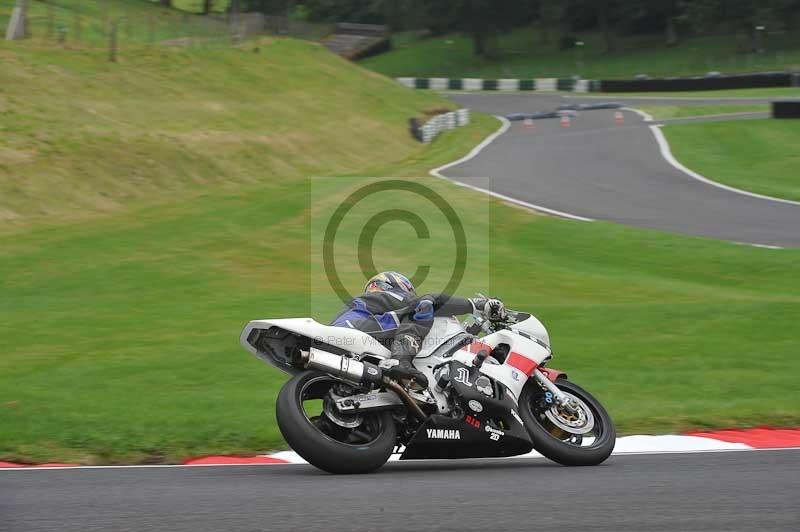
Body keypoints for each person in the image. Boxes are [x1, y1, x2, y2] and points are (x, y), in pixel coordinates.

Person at [330, 271, 505, 389]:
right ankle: (402, 362)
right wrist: (476, 305)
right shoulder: (387, 296)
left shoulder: (369, 305)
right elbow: (428, 300)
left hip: (350, 346)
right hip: (356, 332)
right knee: (424, 305)